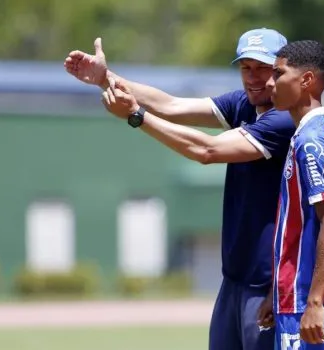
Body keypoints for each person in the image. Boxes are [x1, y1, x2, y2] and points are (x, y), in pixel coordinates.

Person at [64, 28, 296, 350]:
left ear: (282, 69)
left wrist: (134, 116)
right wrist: (106, 78)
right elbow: (171, 105)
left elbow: (207, 151)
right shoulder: (244, 105)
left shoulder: (284, 119)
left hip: (267, 282)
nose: (253, 78)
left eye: (263, 69)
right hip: (235, 279)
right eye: (246, 68)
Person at [264, 40, 324, 350]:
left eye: (278, 74)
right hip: (294, 291)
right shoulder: (309, 134)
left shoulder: (312, 141)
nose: (270, 82)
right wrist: (276, 293)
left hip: (307, 294)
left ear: (306, 80)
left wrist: (314, 301)